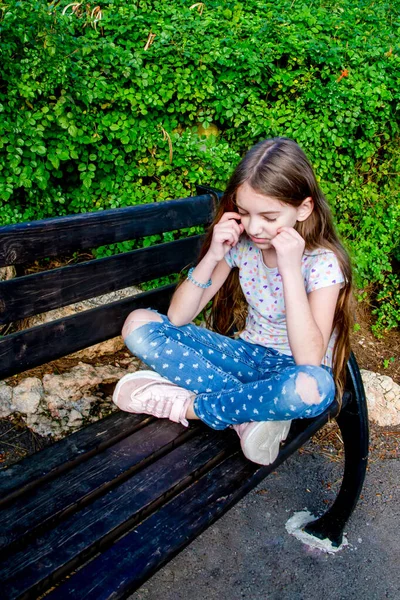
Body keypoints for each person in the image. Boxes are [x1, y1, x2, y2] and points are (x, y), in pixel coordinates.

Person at [112, 137, 353, 465]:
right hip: (244, 359)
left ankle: (190, 407)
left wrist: (290, 270)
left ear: (303, 208)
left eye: (269, 217)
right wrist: (213, 254)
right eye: (244, 212)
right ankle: (247, 414)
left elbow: (309, 359)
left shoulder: (323, 263)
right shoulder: (241, 246)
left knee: (314, 388)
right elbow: (180, 316)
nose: (254, 227)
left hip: (292, 374)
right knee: (138, 324)